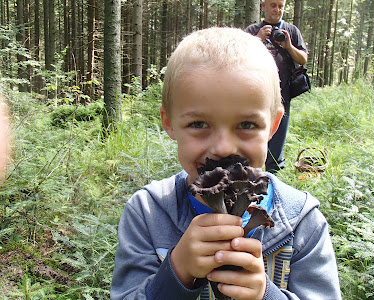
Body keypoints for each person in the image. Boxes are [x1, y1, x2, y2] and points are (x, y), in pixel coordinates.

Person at [111, 27, 341, 300]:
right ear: (169, 123)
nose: (223, 148)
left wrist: (266, 295)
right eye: (199, 124)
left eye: (247, 124)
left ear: (274, 126)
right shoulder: (148, 213)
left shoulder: (301, 222)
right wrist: (177, 270)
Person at [245, 0, 308, 173]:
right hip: (254, 95)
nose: (277, 9)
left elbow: (303, 59)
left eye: (281, 6)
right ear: (263, 6)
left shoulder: (291, 31)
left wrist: (288, 46)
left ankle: (272, 180)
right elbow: (238, 57)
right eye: (273, 5)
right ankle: (249, 178)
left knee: (277, 144)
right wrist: (257, 39)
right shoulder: (252, 31)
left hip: (282, 95)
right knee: (252, 137)